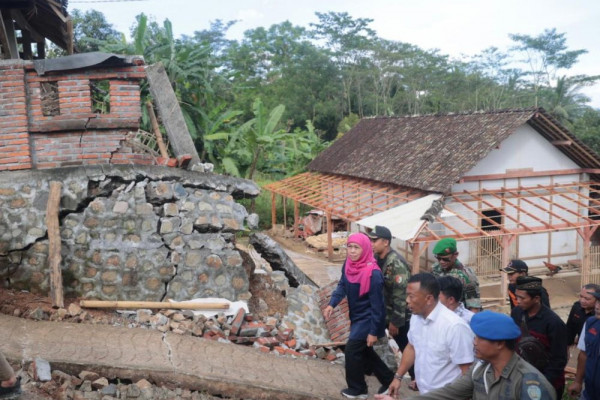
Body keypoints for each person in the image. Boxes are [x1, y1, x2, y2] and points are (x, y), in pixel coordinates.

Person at [375, 311, 556, 400]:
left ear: (500, 344)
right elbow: (447, 394)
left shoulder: (529, 383)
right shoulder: (481, 369)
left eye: (479, 338)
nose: (474, 342)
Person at [323, 232, 394, 399]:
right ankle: (389, 380)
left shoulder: (373, 274)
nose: (352, 251)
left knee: (352, 350)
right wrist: (331, 304)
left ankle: (358, 389)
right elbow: (342, 285)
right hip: (355, 316)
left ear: (365, 249)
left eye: (357, 248)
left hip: (368, 318)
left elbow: (378, 306)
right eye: (350, 247)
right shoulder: (348, 265)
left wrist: (373, 332)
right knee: (364, 351)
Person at [388, 273, 474, 397]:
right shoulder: (416, 318)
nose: (407, 300)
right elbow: (411, 347)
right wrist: (398, 377)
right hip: (424, 394)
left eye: (411, 296)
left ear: (429, 299)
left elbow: (466, 371)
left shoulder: (454, 327)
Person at [367, 226, 415, 385]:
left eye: (375, 240)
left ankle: (417, 379)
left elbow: (401, 295)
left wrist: (396, 321)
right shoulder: (376, 259)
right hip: (383, 313)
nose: (372, 243)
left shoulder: (396, 263)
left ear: (386, 242)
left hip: (397, 317)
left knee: (406, 347)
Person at [511, 276, 567, 398]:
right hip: (521, 377)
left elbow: (559, 360)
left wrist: (542, 383)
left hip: (546, 382)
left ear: (536, 298)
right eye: (517, 296)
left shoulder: (553, 323)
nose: (518, 301)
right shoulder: (517, 313)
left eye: (522, 298)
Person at [567, 286, 600, 400]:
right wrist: (578, 381)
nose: (598, 306)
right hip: (590, 390)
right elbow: (583, 354)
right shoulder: (590, 322)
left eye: (587, 298)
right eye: (598, 302)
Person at [431, 238, 481, 311]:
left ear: (455, 255)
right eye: (439, 258)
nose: (441, 262)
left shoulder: (466, 275)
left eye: (446, 259)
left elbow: (474, 305)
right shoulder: (435, 268)